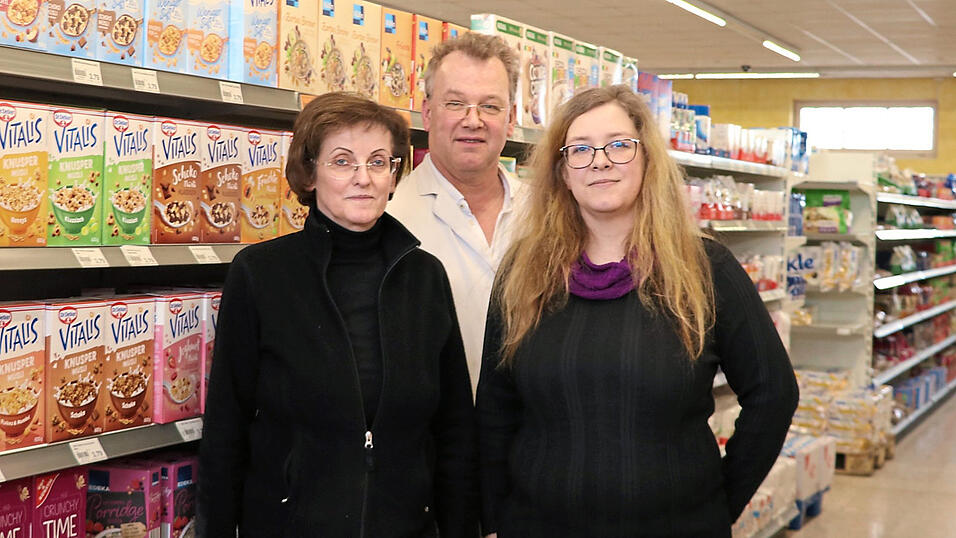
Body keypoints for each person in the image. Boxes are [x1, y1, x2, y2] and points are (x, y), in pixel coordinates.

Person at [476, 86, 799, 537]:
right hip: (538, 525)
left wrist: (720, 501)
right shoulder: (522, 274)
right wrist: (493, 520)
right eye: (581, 150)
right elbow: (495, 410)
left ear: (647, 160)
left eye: (619, 145)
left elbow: (773, 394)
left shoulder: (705, 269)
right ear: (562, 172)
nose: (601, 161)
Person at [198, 92, 478, 537]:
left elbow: (454, 427)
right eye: (343, 161)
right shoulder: (261, 274)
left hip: (406, 525)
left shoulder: (425, 278)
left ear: (393, 175)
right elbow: (226, 425)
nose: (362, 178)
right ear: (309, 173)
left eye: (378, 161)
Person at [389, 32, 523, 396]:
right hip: (434, 438)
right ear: (428, 113)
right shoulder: (389, 217)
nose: (473, 120)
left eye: (490, 106)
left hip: (535, 433)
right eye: (455, 103)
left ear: (511, 120)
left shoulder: (547, 214)